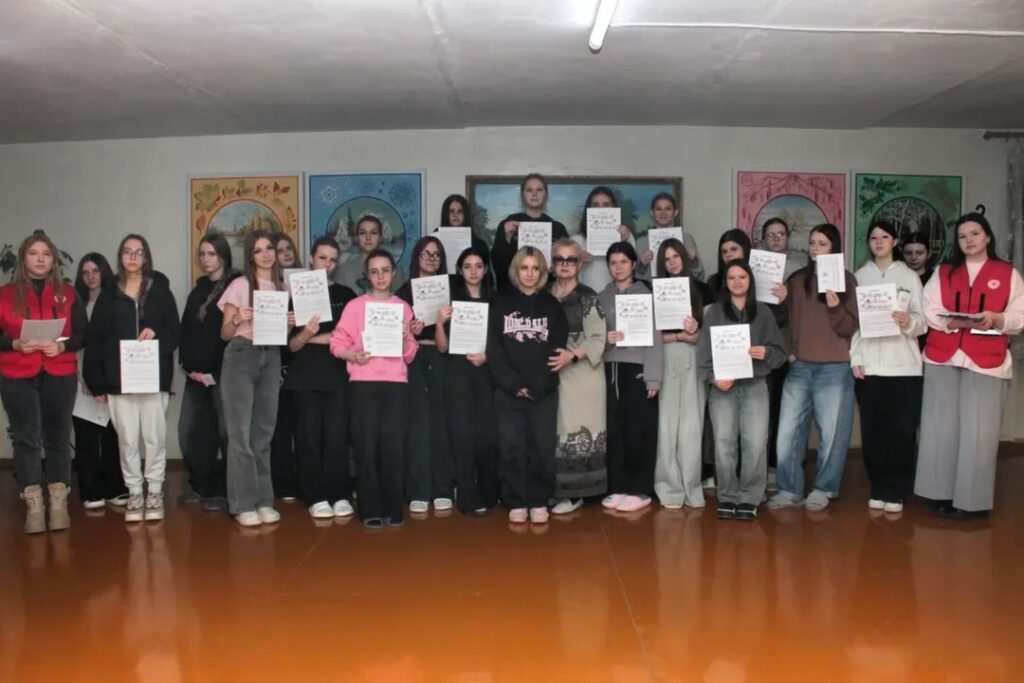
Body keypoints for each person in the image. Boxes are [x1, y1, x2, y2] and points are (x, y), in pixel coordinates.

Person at [915, 212, 1024, 519]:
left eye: (975, 233)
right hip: (944, 355)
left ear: (987, 236)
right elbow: (929, 308)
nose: (969, 240)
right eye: (962, 236)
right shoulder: (944, 271)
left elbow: (1019, 315)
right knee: (940, 427)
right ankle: (939, 493)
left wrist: (998, 319)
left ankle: (971, 502)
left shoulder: (1008, 273)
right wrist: (953, 322)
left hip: (987, 360)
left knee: (979, 431)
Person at [84, 234, 180, 523]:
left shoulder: (160, 291)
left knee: (154, 438)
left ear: (146, 257)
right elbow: (96, 340)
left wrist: (157, 338)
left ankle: (155, 492)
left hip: (153, 378)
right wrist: (96, 382)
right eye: (127, 252)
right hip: (119, 381)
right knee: (127, 440)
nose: (133, 257)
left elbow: (174, 333)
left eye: (138, 252)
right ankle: (135, 493)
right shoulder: (108, 294)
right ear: (121, 257)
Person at [768, 224, 858, 511]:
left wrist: (835, 306)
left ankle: (824, 488)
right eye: (812, 243)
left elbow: (850, 327)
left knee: (832, 434)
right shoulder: (797, 280)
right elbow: (782, 321)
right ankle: (789, 489)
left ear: (834, 247)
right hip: (800, 367)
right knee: (787, 433)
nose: (815, 248)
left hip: (835, 368)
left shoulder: (847, 280)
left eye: (822, 243)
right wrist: (780, 301)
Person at [0, 232, 84, 533]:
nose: (40, 259)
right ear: (23, 258)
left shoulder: (69, 294)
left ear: (53, 260)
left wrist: (62, 346)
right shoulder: (4, 294)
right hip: (16, 374)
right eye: (34, 253)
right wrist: (14, 344)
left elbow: (83, 334)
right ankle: (34, 506)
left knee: (58, 437)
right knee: (26, 439)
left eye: (46, 254)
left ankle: (58, 504)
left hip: (59, 372)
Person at [330, 249, 418, 528]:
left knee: (393, 446)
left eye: (385, 271)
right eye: (374, 271)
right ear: (367, 276)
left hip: (396, 385)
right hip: (363, 384)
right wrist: (353, 355)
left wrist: (405, 340)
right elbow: (337, 343)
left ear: (394, 273)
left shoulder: (403, 308)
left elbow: (410, 353)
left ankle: (393, 507)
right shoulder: (355, 307)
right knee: (366, 447)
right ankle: (370, 508)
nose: (380, 276)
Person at [698, 261, 787, 520]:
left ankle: (750, 497)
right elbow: (703, 354)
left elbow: (780, 352)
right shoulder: (714, 312)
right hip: (723, 388)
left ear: (750, 280)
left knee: (755, 443)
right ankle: (727, 495)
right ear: (725, 282)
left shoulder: (763, 312)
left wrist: (765, 352)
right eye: (731, 278)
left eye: (742, 277)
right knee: (723, 443)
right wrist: (714, 378)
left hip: (755, 385)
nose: (737, 282)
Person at [849, 220, 926, 513]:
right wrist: (856, 358)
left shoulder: (909, 276)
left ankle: (897, 489)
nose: (878, 241)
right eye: (873, 237)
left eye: (884, 237)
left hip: (903, 368)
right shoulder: (859, 277)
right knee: (872, 431)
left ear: (894, 241)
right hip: (870, 367)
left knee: (901, 431)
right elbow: (854, 325)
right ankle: (878, 486)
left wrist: (909, 322)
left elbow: (922, 321)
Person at [487, 246, 568, 524]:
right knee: (511, 448)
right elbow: (494, 350)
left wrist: (538, 383)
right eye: (524, 268)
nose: (530, 274)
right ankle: (516, 500)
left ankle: (539, 500)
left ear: (542, 272)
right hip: (509, 393)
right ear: (516, 271)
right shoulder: (500, 304)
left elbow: (557, 347)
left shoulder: (552, 306)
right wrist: (514, 384)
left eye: (535, 268)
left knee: (542, 448)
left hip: (543, 391)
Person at [218, 229, 291, 527]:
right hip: (241, 354)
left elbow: (282, 334)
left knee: (263, 432)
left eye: (269, 248)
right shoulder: (239, 285)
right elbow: (225, 333)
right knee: (240, 433)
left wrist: (289, 324)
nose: (266, 254)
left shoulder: (282, 287)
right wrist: (239, 318)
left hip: (271, 356)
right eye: (258, 250)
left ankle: (263, 500)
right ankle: (243, 502)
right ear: (250, 255)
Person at [285, 236, 358, 519]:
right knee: (308, 439)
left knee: (337, 438)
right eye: (322, 258)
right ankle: (314, 496)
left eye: (333, 260)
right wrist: (306, 335)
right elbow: (291, 346)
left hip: (338, 377)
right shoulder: (295, 293)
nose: (327, 264)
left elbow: (350, 338)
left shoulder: (346, 295)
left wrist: (313, 337)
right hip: (304, 378)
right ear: (311, 258)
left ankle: (340, 494)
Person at [599, 243, 663, 513]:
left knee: (640, 429)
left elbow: (656, 338)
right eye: (613, 263)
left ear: (634, 264)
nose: (618, 267)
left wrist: (653, 378)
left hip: (638, 368)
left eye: (623, 262)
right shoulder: (602, 297)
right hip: (610, 367)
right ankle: (617, 486)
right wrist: (606, 339)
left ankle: (640, 489)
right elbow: (594, 337)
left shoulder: (646, 295)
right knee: (614, 429)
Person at [435, 246, 499, 515]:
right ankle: (465, 496)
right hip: (458, 373)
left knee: (487, 435)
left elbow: (504, 343)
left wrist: (488, 357)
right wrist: (440, 323)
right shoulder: (451, 302)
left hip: (487, 373)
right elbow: (442, 347)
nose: (473, 271)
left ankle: (488, 493)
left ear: (485, 270)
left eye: (478, 266)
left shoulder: (497, 301)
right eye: (467, 266)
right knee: (462, 436)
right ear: (459, 271)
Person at [547, 238, 608, 514]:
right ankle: (556, 489)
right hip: (553, 373)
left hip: (583, 375)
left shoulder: (588, 297)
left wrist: (571, 355)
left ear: (579, 264)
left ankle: (576, 494)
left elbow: (598, 338)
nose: (565, 265)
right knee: (556, 431)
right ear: (552, 264)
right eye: (559, 259)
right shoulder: (544, 294)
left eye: (570, 259)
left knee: (576, 431)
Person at [178, 234, 237, 511]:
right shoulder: (199, 288)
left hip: (223, 375)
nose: (206, 259)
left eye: (211, 254)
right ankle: (200, 486)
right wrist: (187, 367)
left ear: (223, 255)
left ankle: (223, 491)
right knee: (191, 432)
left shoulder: (235, 286)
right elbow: (186, 330)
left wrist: (214, 372)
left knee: (226, 434)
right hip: (194, 377)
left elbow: (233, 335)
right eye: (202, 254)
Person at [653, 238, 713, 509]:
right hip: (664, 358)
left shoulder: (702, 290)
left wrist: (695, 333)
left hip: (693, 359)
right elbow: (647, 336)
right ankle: (669, 487)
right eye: (666, 259)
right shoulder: (654, 291)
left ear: (685, 258)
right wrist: (678, 336)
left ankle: (692, 486)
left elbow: (711, 335)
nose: (672, 262)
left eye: (676, 256)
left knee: (692, 426)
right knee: (666, 427)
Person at [396, 236, 454, 513]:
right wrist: (409, 332)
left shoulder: (451, 291)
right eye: (426, 254)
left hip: (442, 357)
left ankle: (443, 488)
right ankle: (418, 490)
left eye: (436, 255)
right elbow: (393, 333)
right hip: (413, 358)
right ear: (416, 257)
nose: (431, 259)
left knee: (441, 423)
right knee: (416, 424)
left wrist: (441, 323)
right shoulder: (403, 292)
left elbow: (456, 335)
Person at [71, 252, 128, 509]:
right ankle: (90, 491)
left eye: (95, 271)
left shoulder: (117, 301)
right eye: (85, 272)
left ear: (104, 272)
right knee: (86, 437)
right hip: (80, 378)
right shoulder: (76, 304)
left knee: (113, 436)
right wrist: (84, 377)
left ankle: (114, 487)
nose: (91, 276)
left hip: (111, 378)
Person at [758, 217, 800, 490]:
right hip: (758, 350)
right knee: (759, 411)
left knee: (781, 410)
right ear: (763, 239)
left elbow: (801, 315)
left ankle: (776, 465)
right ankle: (758, 467)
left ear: (787, 238)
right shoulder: (754, 267)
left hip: (786, 350)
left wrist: (787, 298)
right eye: (771, 234)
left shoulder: (797, 271)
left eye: (781, 234)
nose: (776, 239)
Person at [490, 174, 569, 292]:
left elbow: (567, 265)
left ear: (546, 195)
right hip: (513, 293)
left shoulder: (558, 228)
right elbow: (498, 265)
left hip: (547, 293)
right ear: (522, 195)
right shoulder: (508, 224)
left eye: (539, 190)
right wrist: (506, 237)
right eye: (529, 190)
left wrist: (557, 266)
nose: (534, 194)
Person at [269, 231, 302, 502]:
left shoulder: (308, 283)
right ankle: (282, 482)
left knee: (302, 426)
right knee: (279, 426)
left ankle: (302, 479)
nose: (286, 254)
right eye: (279, 251)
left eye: (288, 248)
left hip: (302, 363)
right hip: (276, 361)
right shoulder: (268, 289)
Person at [572, 186, 634, 293]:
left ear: (614, 207)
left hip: (617, 296)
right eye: (595, 205)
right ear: (588, 209)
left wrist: (627, 238)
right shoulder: (576, 241)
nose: (600, 209)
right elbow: (565, 274)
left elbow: (634, 265)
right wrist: (577, 260)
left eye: (606, 205)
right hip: (586, 298)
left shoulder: (625, 236)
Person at [636, 192, 706, 282]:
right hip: (651, 289)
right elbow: (636, 281)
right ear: (652, 213)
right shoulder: (641, 243)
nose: (663, 213)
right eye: (658, 209)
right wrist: (642, 265)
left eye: (668, 209)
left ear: (675, 212)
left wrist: (693, 261)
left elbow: (700, 277)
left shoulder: (687, 239)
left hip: (682, 288)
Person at [335, 215, 407, 294]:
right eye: (363, 233)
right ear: (357, 237)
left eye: (373, 233)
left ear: (380, 237)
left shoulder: (395, 269)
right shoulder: (344, 270)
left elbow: (400, 299)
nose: (368, 238)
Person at [705, 229, 753, 294]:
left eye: (733, 249)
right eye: (724, 252)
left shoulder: (758, 278)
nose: (728, 255)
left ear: (745, 250)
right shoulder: (714, 282)